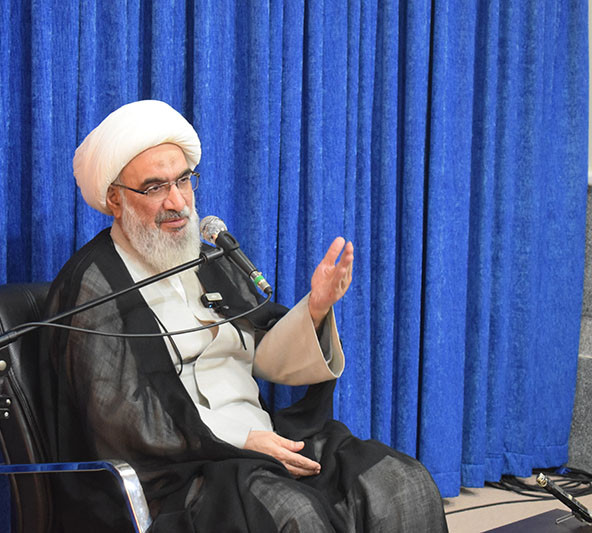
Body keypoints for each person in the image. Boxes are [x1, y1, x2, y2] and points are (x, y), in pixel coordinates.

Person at [39, 100, 447, 532]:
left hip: (265, 441)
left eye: (183, 180)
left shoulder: (210, 260)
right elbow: (118, 420)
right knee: (291, 514)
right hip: (183, 474)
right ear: (115, 199)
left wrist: (314, 309)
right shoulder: (93, 286)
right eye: (155, 187)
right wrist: (239, 443)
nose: (177, 202)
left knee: (401, 483)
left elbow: (262, 354)